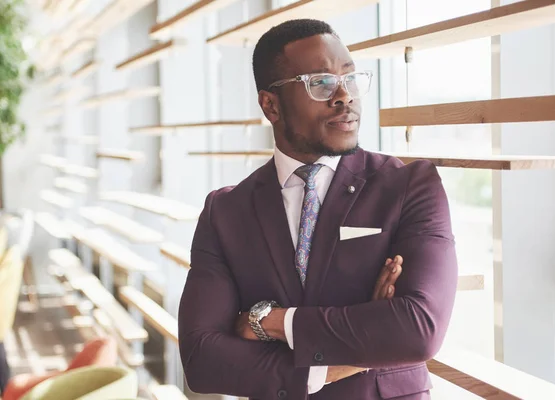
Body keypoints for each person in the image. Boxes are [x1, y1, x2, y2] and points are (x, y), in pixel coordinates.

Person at [179, 18, 458, 400]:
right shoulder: (225, 212)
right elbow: (202, 360)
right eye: (320, 83)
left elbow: (419, 329)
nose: (344, 95)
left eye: (350, 78)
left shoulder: (410, 186)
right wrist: (346, 359)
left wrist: (271, 323)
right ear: (270, 105)